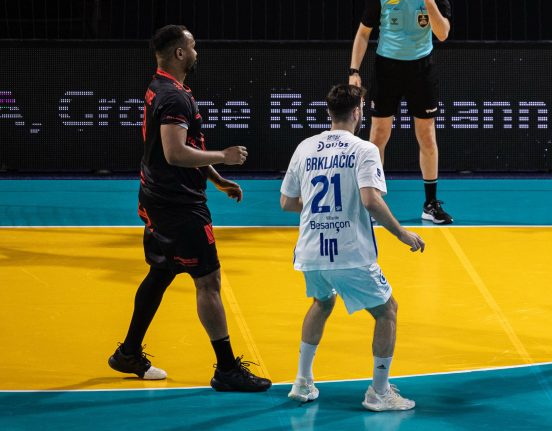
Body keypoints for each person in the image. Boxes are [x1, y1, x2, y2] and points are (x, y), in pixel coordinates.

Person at [108, 25, 271, 392]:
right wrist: (224, 157)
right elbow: (175, 152)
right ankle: (226, 369)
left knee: (161, 271)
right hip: (177, 206)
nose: (197, 51)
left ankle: (128, 353)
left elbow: (186, 145)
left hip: (156, 198)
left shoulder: (161, 87)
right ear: (180, 53)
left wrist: (216, 179)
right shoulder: (174, 98)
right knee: (208, 281)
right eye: (193, 46)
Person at [280, 84, 426, 411]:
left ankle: (302, 381)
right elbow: (370, 200)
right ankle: (379, 391)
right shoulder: (364, 149)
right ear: (358, 112)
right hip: (348, 251)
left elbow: (287, 202)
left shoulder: (305, 147)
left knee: (322, 302)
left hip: (310, 250)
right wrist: (401, 233)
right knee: (387, 311)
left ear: (329, 112)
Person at [349, 0, 454, 224]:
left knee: (427, 137)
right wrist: (354, 71)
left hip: (422, 69)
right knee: (378, 137)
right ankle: (373, 203)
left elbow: (443, 33)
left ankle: (430, 204)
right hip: (388, 68)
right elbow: (363, 33)